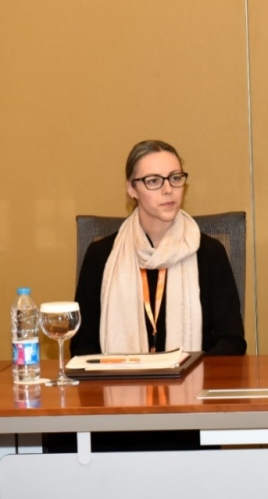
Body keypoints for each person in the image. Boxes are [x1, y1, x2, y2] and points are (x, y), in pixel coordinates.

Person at [73, 140, 246, 356]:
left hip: (192, 384)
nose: (168, 190)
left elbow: (232, 343)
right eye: (153, 181)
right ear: (131, 189)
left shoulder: (209, 253)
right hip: (120, 387)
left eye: (175, 178)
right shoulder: (101, 256)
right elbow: (82, 346)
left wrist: (188, 371)